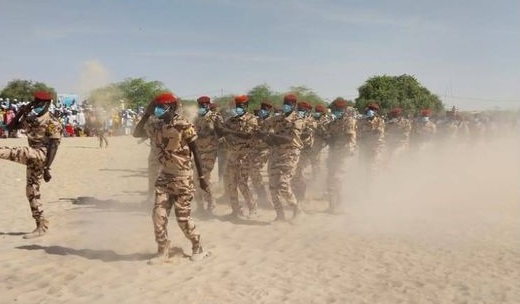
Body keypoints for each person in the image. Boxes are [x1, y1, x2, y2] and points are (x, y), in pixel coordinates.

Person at [133, 92, 210, 264]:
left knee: (183, 219)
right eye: (156, 107)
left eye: (161, 107)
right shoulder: (156, 126)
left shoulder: (184, 125)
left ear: (171, 107)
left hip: (183, 178)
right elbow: (137, 133)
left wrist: (202, 177)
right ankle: (163, 250)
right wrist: (147, 113)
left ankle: (198, 247)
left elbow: (195, 150)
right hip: (164, 177)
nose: (158, 110)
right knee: (158, 216)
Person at [1, 91, 62, 238]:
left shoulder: (53, 121)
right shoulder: (31, 118)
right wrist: (21, 112)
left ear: (47, 104)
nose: (36, 105)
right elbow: (10, 128)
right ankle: (41, 224)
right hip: (32, 156)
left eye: (39, 102)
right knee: (31, 191)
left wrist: (47, 168)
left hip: (40, 155)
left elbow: (54, 146)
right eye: (35, 102)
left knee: (11, 151)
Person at [262, 94, 304, 221]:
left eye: (289, 104)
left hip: (290, 154)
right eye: (285, 103)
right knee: (273, 186)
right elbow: (263, 126)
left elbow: (289, 139)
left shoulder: (298, 120)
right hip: (276, 154)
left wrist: (271, 137)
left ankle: (296, 208)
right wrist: (261, 133)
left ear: (294, 105)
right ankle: (279, 215)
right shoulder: (277, 118)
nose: (286, 106)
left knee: (283, 184)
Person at [218, 95, 259, 218]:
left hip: (245, 156)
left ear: (246, 106)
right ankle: (235, 211)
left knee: (242, 184)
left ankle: (253, 208)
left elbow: (248, 136)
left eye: (241, 106)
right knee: (231, 184)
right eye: (237, 106)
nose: (239, 108)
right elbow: (222, 132)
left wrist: (230, 134)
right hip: (232, 156)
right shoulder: (231, 121)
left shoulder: (252, 119)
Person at [322, 98, 357, 212]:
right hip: (334, 153)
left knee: (337, 179)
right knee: (331, 178)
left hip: (345, 154)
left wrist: (333, 139)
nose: (336, 111)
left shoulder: (349, 121)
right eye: (335, 109)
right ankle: (333, 206)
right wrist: (327, 138)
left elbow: (349, 136)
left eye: (338, 109)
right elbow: (327, 133)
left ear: (343, 110)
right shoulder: (333, 122)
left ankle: (339, 205)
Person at [193, 96, 220, 215]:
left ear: (208, 105)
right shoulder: (197, 118)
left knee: (205, 178)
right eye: (201, 104)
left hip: (209, 152)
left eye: (205, 104)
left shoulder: (213, 117)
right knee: (195, 179)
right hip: (198, 152)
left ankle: (211, 203)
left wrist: (193, 134)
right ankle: (200, 206)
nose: (203, 106)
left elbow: (208, 131)